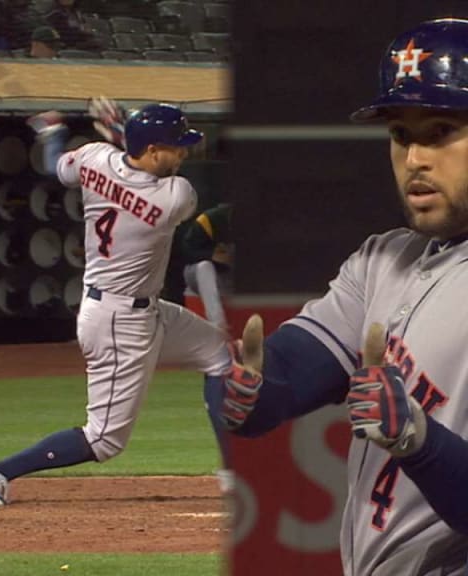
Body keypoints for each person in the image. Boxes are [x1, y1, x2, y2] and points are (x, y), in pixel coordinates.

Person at [221, 19, 468, 576]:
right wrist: (247, 391)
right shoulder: (383, 260)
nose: (415, 160)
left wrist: (419, 438)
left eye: (440, 130)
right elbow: (289, 372)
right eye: (402, 135)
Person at [0, 101, 233, 505]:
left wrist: (54, 135)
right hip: (118, 321)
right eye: (175, 147)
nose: (183, 153)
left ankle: (234, 475)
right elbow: (150, 177)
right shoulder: (175, 196)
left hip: (138, 308)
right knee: (104, 440)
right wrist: (122, 133)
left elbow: (59, 166)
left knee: (219, 355)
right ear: (153, 150)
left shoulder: (94, 157)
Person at [182, 202, 232, 332]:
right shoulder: (210, 219)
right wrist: (211, 255)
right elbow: (185, 253)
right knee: (205, 266)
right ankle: (219, 325)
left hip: (229, 279)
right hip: (200, 275)